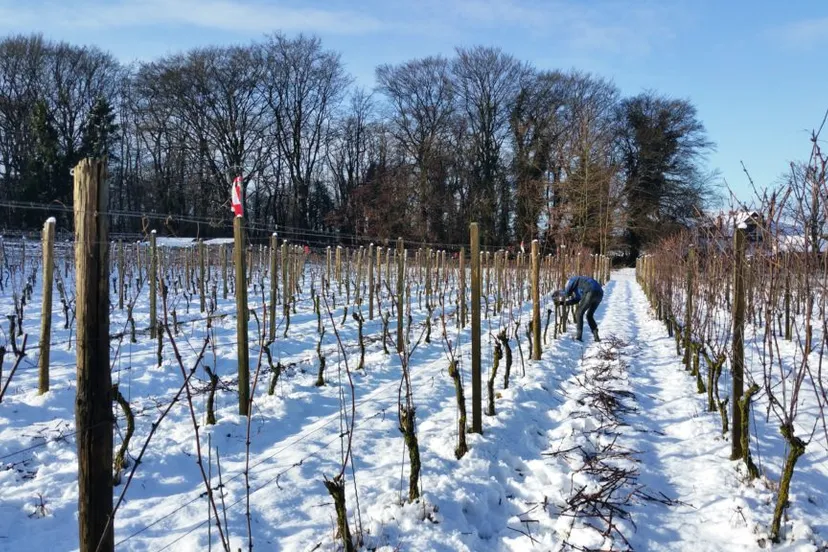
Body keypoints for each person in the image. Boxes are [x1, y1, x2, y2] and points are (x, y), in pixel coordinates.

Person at [552, 275, 604, 342]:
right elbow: (576, 300)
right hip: (599, 294)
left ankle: (579, 337)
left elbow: (567, 293)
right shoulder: (580, 288)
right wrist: (561, 303)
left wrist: (556, 293)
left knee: (579, 313)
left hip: (590, 291)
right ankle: (596, 336)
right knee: (589, 315)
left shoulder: (572, 279)